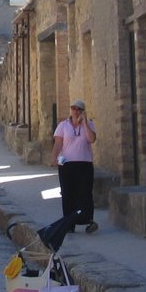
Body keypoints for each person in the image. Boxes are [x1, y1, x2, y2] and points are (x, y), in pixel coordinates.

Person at [50, 99, 98, 233]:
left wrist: (85, 124)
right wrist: (54, 157)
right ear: (70, 110)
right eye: (74, 108)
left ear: (83, 111)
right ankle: (69, 223)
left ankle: (88, 220)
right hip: (66, 163)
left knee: (85, 192)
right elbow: (58, 144)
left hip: (85, 163)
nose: (76, 111)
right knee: (67, 193)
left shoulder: (89, 124)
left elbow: (92, 139)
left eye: (79, 109)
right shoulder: (63, 125)